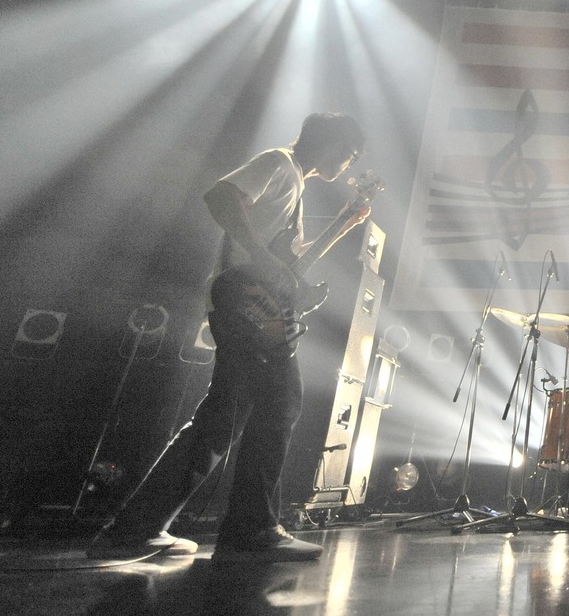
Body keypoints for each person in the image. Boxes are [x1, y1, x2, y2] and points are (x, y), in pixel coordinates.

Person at [89, 112, 368, 562]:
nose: (349, 164)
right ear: (328, 141)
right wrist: (261, 258)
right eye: (349, 153)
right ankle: (248, 529)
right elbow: (220, 197)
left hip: (252, 306)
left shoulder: (295, 183)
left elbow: (286, 266)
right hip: (243, 304)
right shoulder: (278, 163)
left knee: (225, 419)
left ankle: (137, 529)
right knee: (273, 405)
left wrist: (342, 227)